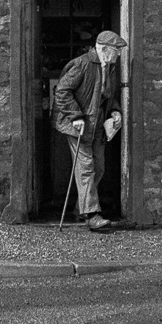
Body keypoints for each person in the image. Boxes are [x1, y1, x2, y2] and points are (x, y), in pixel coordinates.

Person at [52, 30, 125, 231]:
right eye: (116, 50)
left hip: (97, 124)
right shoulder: (82, 64)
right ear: (103, 49)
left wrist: (116, 112)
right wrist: (75, 116)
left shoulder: (110, 67)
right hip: (78, 125)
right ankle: (92, 215)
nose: (118, 54)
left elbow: (109, 96)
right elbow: (62, 91)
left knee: (99, 167)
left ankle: (80, 209)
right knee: (86, 168)